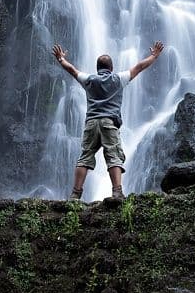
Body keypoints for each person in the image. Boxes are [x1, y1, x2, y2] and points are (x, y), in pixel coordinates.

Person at [52, 40, 164, 201]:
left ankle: (75, 194)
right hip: (109, 123)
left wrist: (61, 59)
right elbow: (139, 67)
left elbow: (72, 70)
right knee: (114, 156)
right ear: (111, 69)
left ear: (98, 69)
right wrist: (154, 56)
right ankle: (117, 192)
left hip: (91, 123)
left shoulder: (89, 80)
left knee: (85, 157)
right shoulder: (118, 79)